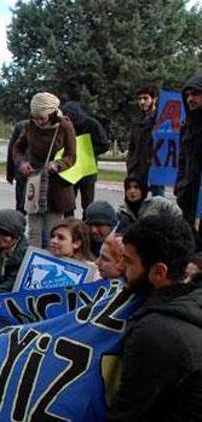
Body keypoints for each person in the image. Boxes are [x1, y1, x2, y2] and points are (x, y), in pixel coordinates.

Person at [106, 215, 202, 421]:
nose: (122, 268)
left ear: (159, 272)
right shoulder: (190, 301)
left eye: (129, 261)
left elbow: (123, 415)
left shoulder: (156, 332)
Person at [12, 92, 77, 248]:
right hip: (34, 185)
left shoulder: (65, 126)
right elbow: (17, 148)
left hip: (57, 188)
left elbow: (72, 156)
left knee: (51, 234)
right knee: (34, 233)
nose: (39, 122)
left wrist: (57, 165)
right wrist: (21, 163)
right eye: (35, 117)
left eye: (42, 118)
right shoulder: (30, 126)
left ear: (52, 113)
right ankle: (33, 265)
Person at [61, 101, 110, 214]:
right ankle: (70, 225)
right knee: (68, 203)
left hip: (87, 170)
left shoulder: (92, 124)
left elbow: (104, 145)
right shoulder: (65, 125)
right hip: (70, 170)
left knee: (88, 204)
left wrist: (86, 151)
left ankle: (87, 226)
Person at [176, 74, 202, 242]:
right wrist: (180, 185)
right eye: (188, 95)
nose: (190, 99)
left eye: (196, 94)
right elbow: (183, 159)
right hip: (188, 195)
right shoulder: (187, 126)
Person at [126, 85, 163, 196]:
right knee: (136, 199)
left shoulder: (162, 120)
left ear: (154, 99)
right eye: (140, 99)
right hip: (137, 167)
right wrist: (130, 162)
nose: (142, 102)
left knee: (158, 200)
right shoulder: (137, 121)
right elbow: (132, 145)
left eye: (145, 98)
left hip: (155, 167)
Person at [116, 176, 181, 234]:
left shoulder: (158, 202)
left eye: (136, 187)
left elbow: (178, 214)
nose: (132, 191)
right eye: (128, 188)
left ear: (143, 189)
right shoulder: (123, 211)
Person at [6, 120, 29, 214]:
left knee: (21, 205)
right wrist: (10, 174)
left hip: (25, 170)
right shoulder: (22, 126)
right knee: (21, 205)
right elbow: (12, 149)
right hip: (23, 170)